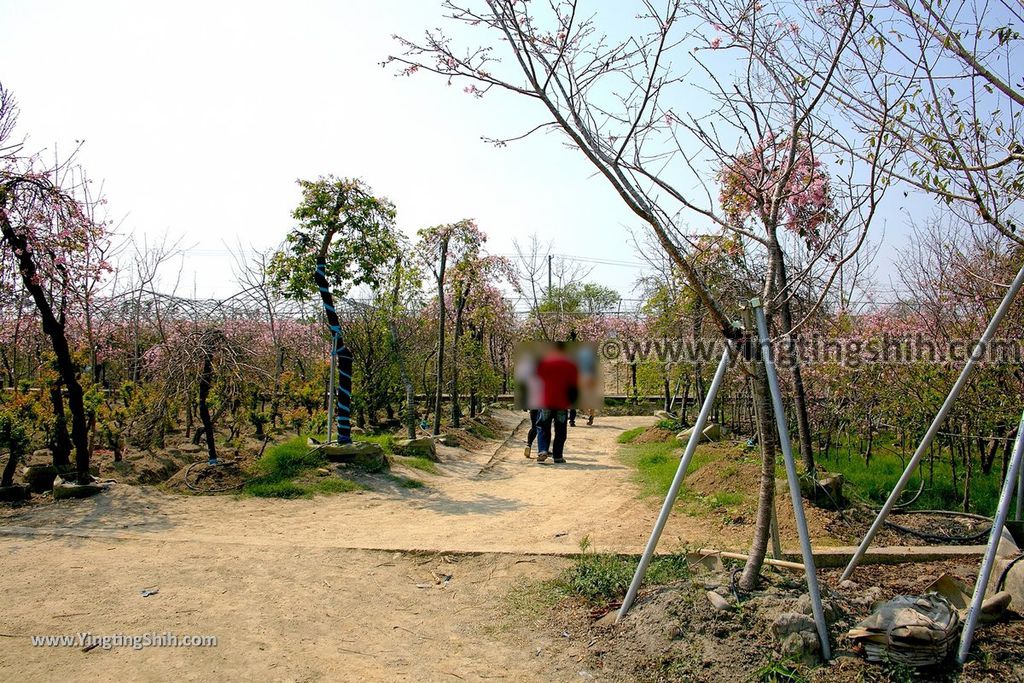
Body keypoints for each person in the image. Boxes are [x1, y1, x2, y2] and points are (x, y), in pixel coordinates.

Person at [533, 342, 579, 464]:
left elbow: (537, 379)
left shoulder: (544, 363)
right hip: (562, 402)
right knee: (560, 429)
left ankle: (543, 450)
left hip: (546, 400)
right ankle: (558, 456)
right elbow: (574, 385)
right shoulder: (570, 364)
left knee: (543, 426)